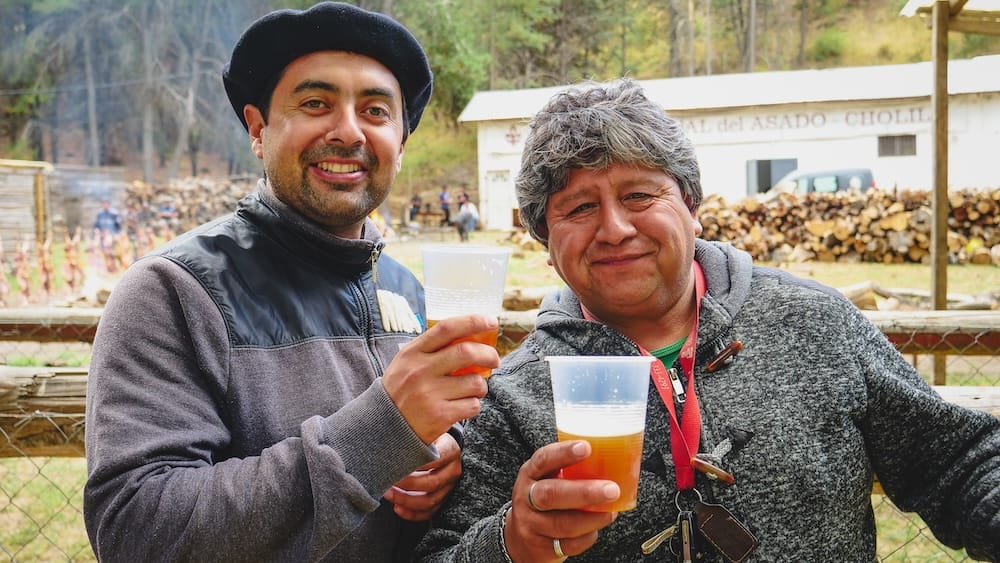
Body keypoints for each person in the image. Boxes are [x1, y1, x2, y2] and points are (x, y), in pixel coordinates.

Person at [415, 79, 1000, 562]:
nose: (615, 228)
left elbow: (959, 464)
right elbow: (439, 554)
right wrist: (510, 543)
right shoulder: (513, 393)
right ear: (546, 242)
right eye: (580, 207)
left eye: (640, 195)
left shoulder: (814, 323)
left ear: (692, 208)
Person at [83, 3, 498, 562]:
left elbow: (420, 453)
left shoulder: (405, 290)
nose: (348, 130)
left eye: (376, 111)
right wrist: (379, 433)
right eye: (315, 103)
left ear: (399, 143)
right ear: (259, 129)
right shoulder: (172, 293)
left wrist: (445, 457)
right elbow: (137, 529)